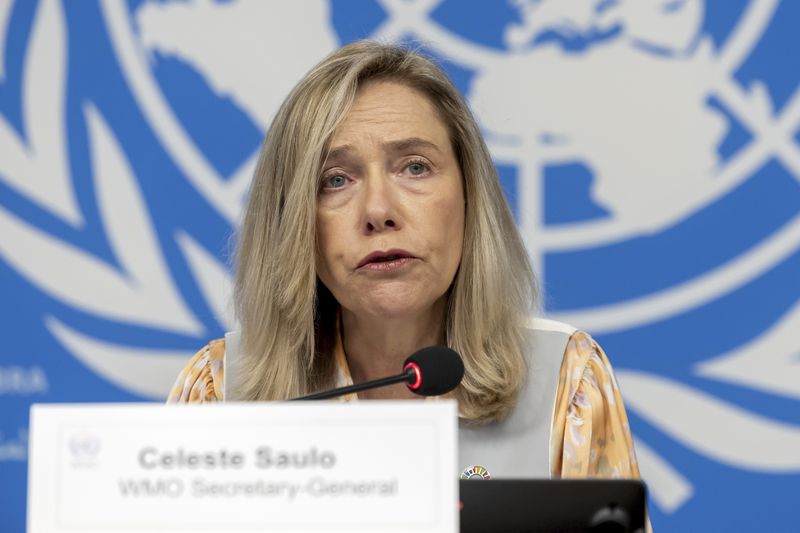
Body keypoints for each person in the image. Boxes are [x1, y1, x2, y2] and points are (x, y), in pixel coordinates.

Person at [168, 41, 641, 481]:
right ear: (294, 222)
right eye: (335, 180)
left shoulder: (563, 378)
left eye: (414, 167)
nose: (378, 211)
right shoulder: (222, 392)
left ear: (469, 197)